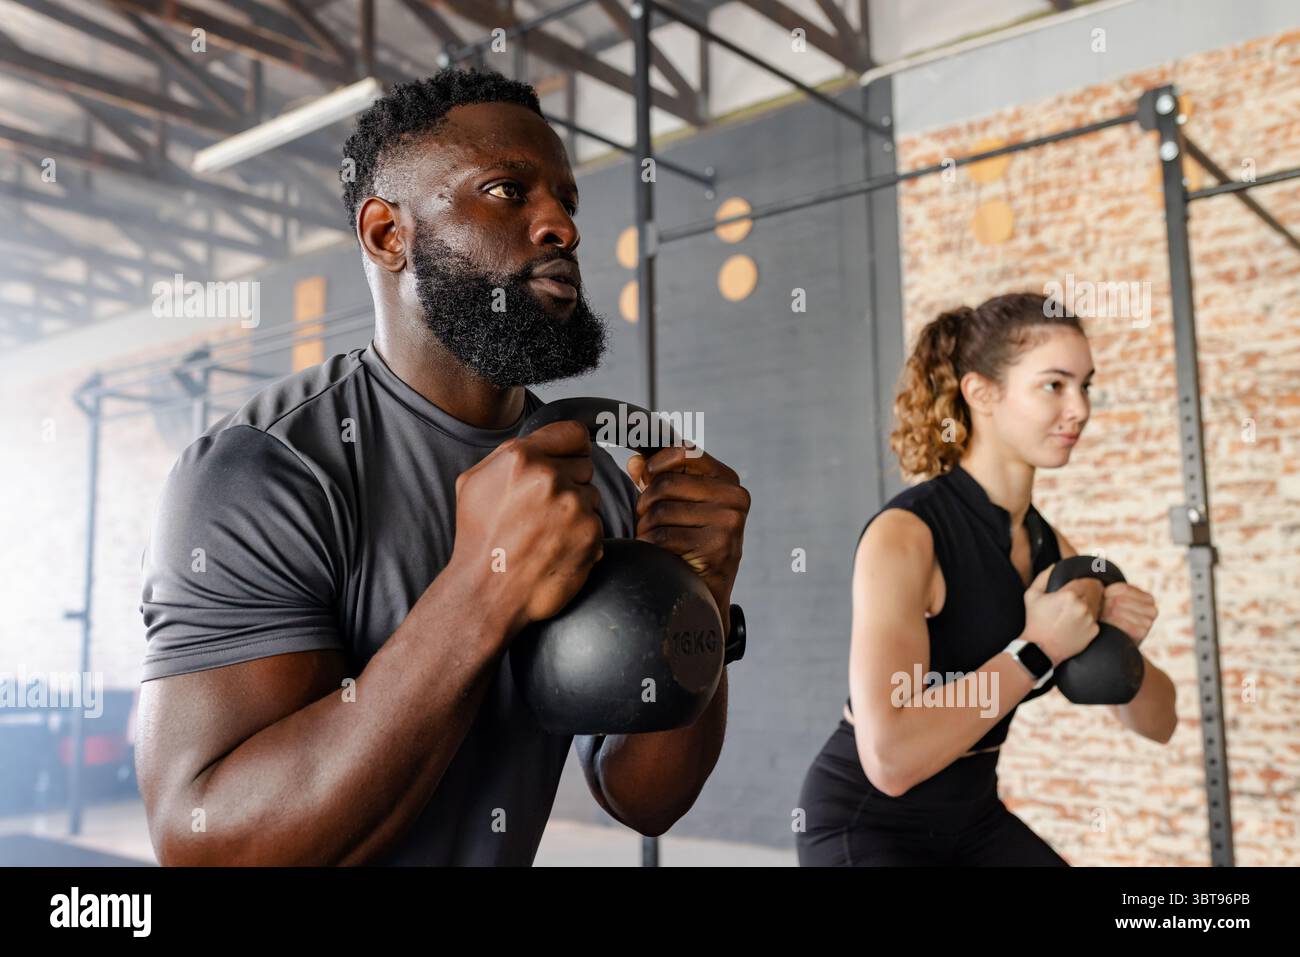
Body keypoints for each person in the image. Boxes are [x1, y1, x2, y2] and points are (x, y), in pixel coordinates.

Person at [134, 68, 750, 866]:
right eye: (507, 191)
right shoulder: (263, 470)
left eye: (566, 199)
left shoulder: (592, 475)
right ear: (388, 234)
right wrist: (482, 591)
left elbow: (644, 797)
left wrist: (703, 596)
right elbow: (204, 841)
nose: (560, 224)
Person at [796, 292, 1175, 866]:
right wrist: (1037, 649)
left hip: (972, 821)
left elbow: (1159, 724)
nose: (1080, 408)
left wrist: (1124, 643)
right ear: (982, 393)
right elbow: (891, 760)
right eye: (1054, 385)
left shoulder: (1052, 548)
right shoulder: (907, 535)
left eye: (1085, 385)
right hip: (867, 825)